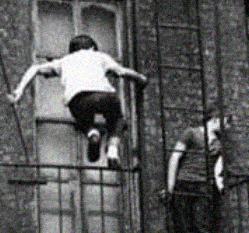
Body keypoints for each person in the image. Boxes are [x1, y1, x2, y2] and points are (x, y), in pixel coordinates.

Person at [8, 34, 148, 168]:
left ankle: (93, 133)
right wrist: (140, 78)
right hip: (106, 96)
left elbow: (35, 68)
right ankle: (112, 152)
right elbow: (122, 72)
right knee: (117, 120)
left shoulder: (64, 61)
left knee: (83, 120)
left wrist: (19, 91)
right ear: (92, 48)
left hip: (79, 99)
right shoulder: (100, 56)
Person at [165, 105, 225, 233]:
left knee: (201, 224)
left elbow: (217, 168)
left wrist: (219, 186)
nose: (226, 126)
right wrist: (170, 187)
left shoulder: (218, 144)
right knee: (183, 224)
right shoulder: (191, 133)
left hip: (203, 186)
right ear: (214, 119)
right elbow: (175, 157)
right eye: (224, 121)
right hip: (184, 182)